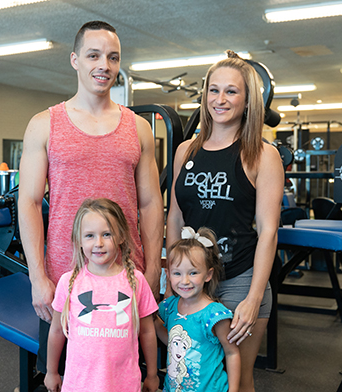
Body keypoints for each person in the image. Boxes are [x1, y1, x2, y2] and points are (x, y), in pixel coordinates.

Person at [18, 20, 163, 373]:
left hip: (126, 277)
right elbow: (30, 203)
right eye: (94, 55)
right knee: (65, 375)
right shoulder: (44, 124)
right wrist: (38, 277)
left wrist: (155, 269)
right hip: (66, 278)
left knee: (126, 374)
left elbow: (151, 203)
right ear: (74, 60)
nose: (104, 66)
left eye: (113, 58)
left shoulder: (138, 127)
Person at [165, 50, 284, 392]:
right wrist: (172, 273)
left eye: (231, 91)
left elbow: (268, 231)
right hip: (191, 278)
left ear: (247, 100)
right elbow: (175, 214)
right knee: (190, 372)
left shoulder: (262, 154)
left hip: (238, 281)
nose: (220, 99)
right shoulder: (186, 150)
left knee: (234, 379)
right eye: (213, 90)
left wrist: (253, 297)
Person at [44, 198, 159, 392]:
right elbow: (56, 331)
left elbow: (147, 332)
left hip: (123, 385)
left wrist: (152, 374)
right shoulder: (68, 282)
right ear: (79, 240)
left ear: (121, 236)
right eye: (90, 235)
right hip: (78, 385)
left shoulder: (136, 281)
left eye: (107, 234)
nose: (98, 243)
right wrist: (51, 371)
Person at [156, 226, 241, 392]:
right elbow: (171, 340)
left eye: (193, 273)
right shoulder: (170, 306)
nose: (185, 281)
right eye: (177, 273)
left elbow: (232, 353)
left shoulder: (215, 314)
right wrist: (150, 316)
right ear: (167, 274)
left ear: (208, 275)